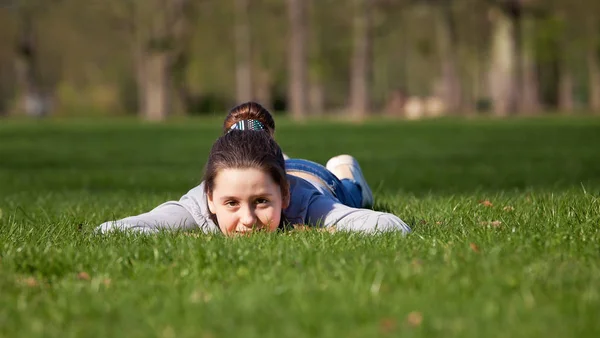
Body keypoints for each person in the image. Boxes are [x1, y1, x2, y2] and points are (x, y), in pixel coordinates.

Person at [97, 104, 411, 235]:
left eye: (261, 202)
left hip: (317, 179)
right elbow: (110, 230)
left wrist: (318, 228)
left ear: (284, 195)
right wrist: (199, 237)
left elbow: (393, 226)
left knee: (352, 193)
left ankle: (344, 168)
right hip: (271, 170)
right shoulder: (196, 205)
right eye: (231, 203)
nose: (248, 221)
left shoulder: (304, 202)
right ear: (210, 197)